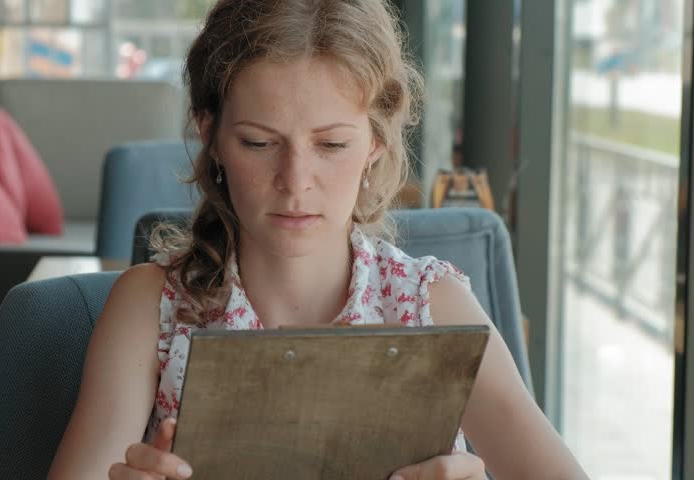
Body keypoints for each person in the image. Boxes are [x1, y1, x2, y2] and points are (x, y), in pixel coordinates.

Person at [49, 1, 588, 478]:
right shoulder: (151, 308)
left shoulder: (433, 304)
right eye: (259, 143)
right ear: (209, 134)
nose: (295, 180)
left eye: (330, 144)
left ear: (375, 141)